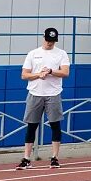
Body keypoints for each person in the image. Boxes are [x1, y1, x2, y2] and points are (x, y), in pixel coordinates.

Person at [16, 27, 71, 170]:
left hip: (53, 93)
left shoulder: (61, 54)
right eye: (48, 40)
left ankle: (54, 157)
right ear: (43, 38)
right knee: (31, 126)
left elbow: (65, 72)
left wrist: (51, 71)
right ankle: (27, 158)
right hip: (35, 93)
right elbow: (24, 75)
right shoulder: (33, 54)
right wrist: (38, 75)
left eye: (52, 41)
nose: (50, 43)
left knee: (55, 124)